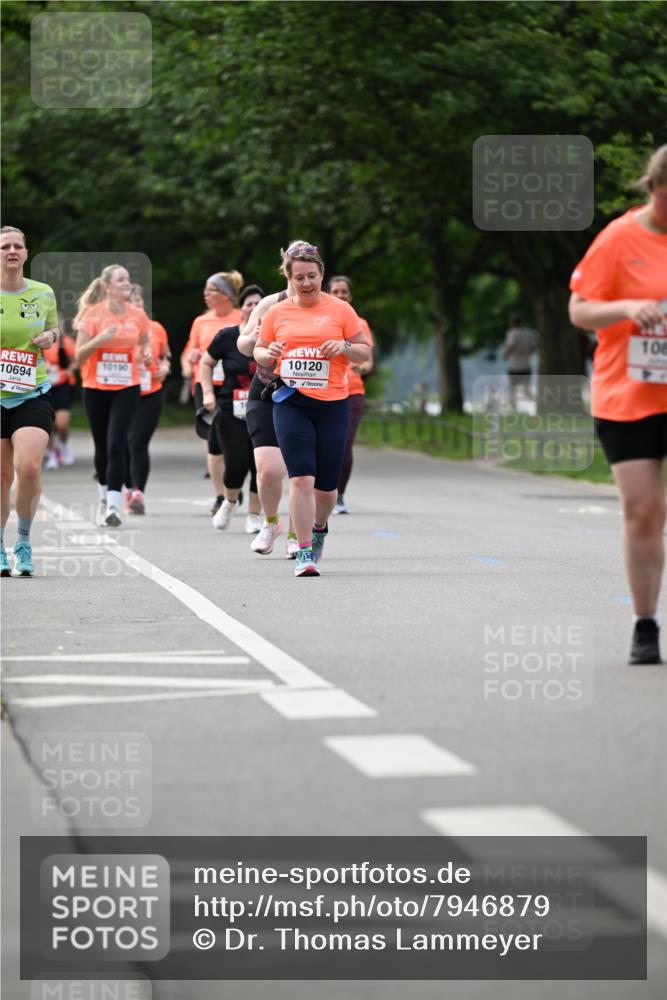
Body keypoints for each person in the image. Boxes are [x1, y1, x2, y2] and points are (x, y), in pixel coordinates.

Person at [569, 144, 667, 665]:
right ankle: (645, 622)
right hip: (628, 393)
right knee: (644, 512)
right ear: (653, 188)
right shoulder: (620, 237)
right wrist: (629, 307)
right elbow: (579, 310)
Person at [254, 243, 371, 576]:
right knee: (302, 478)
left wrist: (345, 347)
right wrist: (269, 352)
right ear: (290, 279)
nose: (306, 283)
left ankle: (320, 527)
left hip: (333, 403)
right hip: (291, 401)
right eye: (299, 278)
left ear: (322, 274)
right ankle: (303, 552)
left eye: (312, 276)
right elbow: (260, 352)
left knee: (326, 489)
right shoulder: (276, 313)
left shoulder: (341, 311)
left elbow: (364, 353)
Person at [0, 226, 59, 576]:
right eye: (4, 246)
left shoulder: (42, 292)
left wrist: (50, 336)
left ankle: (22, 540)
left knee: (29, 468)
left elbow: (54, 329)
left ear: (25, 252)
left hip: (31, 392)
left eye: (16, 246)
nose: (11, 251)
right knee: (1, 475)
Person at [74, 264, 151, 528]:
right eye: (121, 280)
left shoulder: (138, 314)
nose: (126, 283)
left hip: (127, 386)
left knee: (117, 443)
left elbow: (144, 341)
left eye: (128, 279)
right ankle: (104, 499)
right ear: (108, 287)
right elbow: (78, 355)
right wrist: (101, 339)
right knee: (102, 446)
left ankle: (115, 506)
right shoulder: (92, 315)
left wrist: (148, 352)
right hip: (95, 387)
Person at [200, 284, 263, 532]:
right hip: (230, 410)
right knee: (236, 463)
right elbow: (206, 363)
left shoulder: (278, 337)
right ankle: (229, 502)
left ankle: (255, 516)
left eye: (259, 304)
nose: (254, 308)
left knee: (261, 466)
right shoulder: (227, 336)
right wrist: (207, 392)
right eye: (249, 303)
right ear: (242, 308)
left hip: (264, 410)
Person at [185, 270, 243, 514]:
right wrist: (190, 360)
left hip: (235, 386)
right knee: (213, 440)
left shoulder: (242, 318)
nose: (206, 295)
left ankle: (233, 485)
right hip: (206, 385)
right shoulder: (201, 321)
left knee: (237, 441)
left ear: (227, 295)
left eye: (212, 290)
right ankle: (220, 496)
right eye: (206, 290)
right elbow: (189, 353)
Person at [327, 274, 375, 514]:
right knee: (323, 444)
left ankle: (340, 495)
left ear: (350, 295)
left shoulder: (360, 324)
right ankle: (320, 491)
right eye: (335, 291)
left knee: (345, 445)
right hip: (324, 389)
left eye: (344, 291)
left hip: (352, 392)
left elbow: (368, 362)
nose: (340, 295)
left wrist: (360, 367)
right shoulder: (322, 320)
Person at [124, 284, 171, 515]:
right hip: (121, 391)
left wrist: (165, 366)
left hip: (150, 391)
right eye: (130, 302)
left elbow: (166, 354)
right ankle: (126, 487)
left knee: (138, 441)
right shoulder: (115, 328)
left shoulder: (156, 328)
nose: (135, 306)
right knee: (121, 444)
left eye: (139, 301)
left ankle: (138, 491)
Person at [42, 318, 78, 469]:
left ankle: (63, 444)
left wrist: (69, 370)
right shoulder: (39, 342)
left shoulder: (67, 342)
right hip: (44, 385)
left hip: (63, 384)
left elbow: (76, 360)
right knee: (47, 422)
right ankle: (51, 454)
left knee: (61, 423)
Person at [502, 313, 535, 409]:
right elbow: (532, 348)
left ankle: (514, 409)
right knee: (526, 390)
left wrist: (505, 354)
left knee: (512, 389)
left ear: (512, 323)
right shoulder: (527, 333)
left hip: (514, 366)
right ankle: (537, 406)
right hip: (526, 366)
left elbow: (511, 345)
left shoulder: (512, 333)